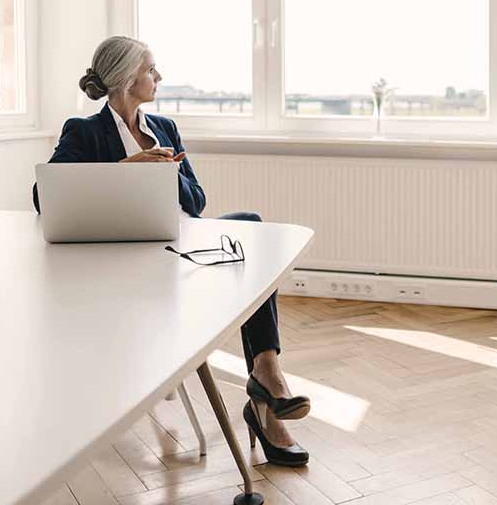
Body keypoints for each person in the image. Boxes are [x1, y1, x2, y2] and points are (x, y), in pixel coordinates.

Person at [32, 36, 309, 467]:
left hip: (184, 239)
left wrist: (170, 173)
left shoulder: (165, 128)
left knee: (251, 227)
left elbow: (196, 202)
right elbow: (43, 196)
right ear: (127, 78)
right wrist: (124, 171)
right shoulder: (84, 131)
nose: (158, 77)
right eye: (151, 69)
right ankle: (268, 400)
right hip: (133, 259)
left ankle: (266, 373)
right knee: (248, 243)